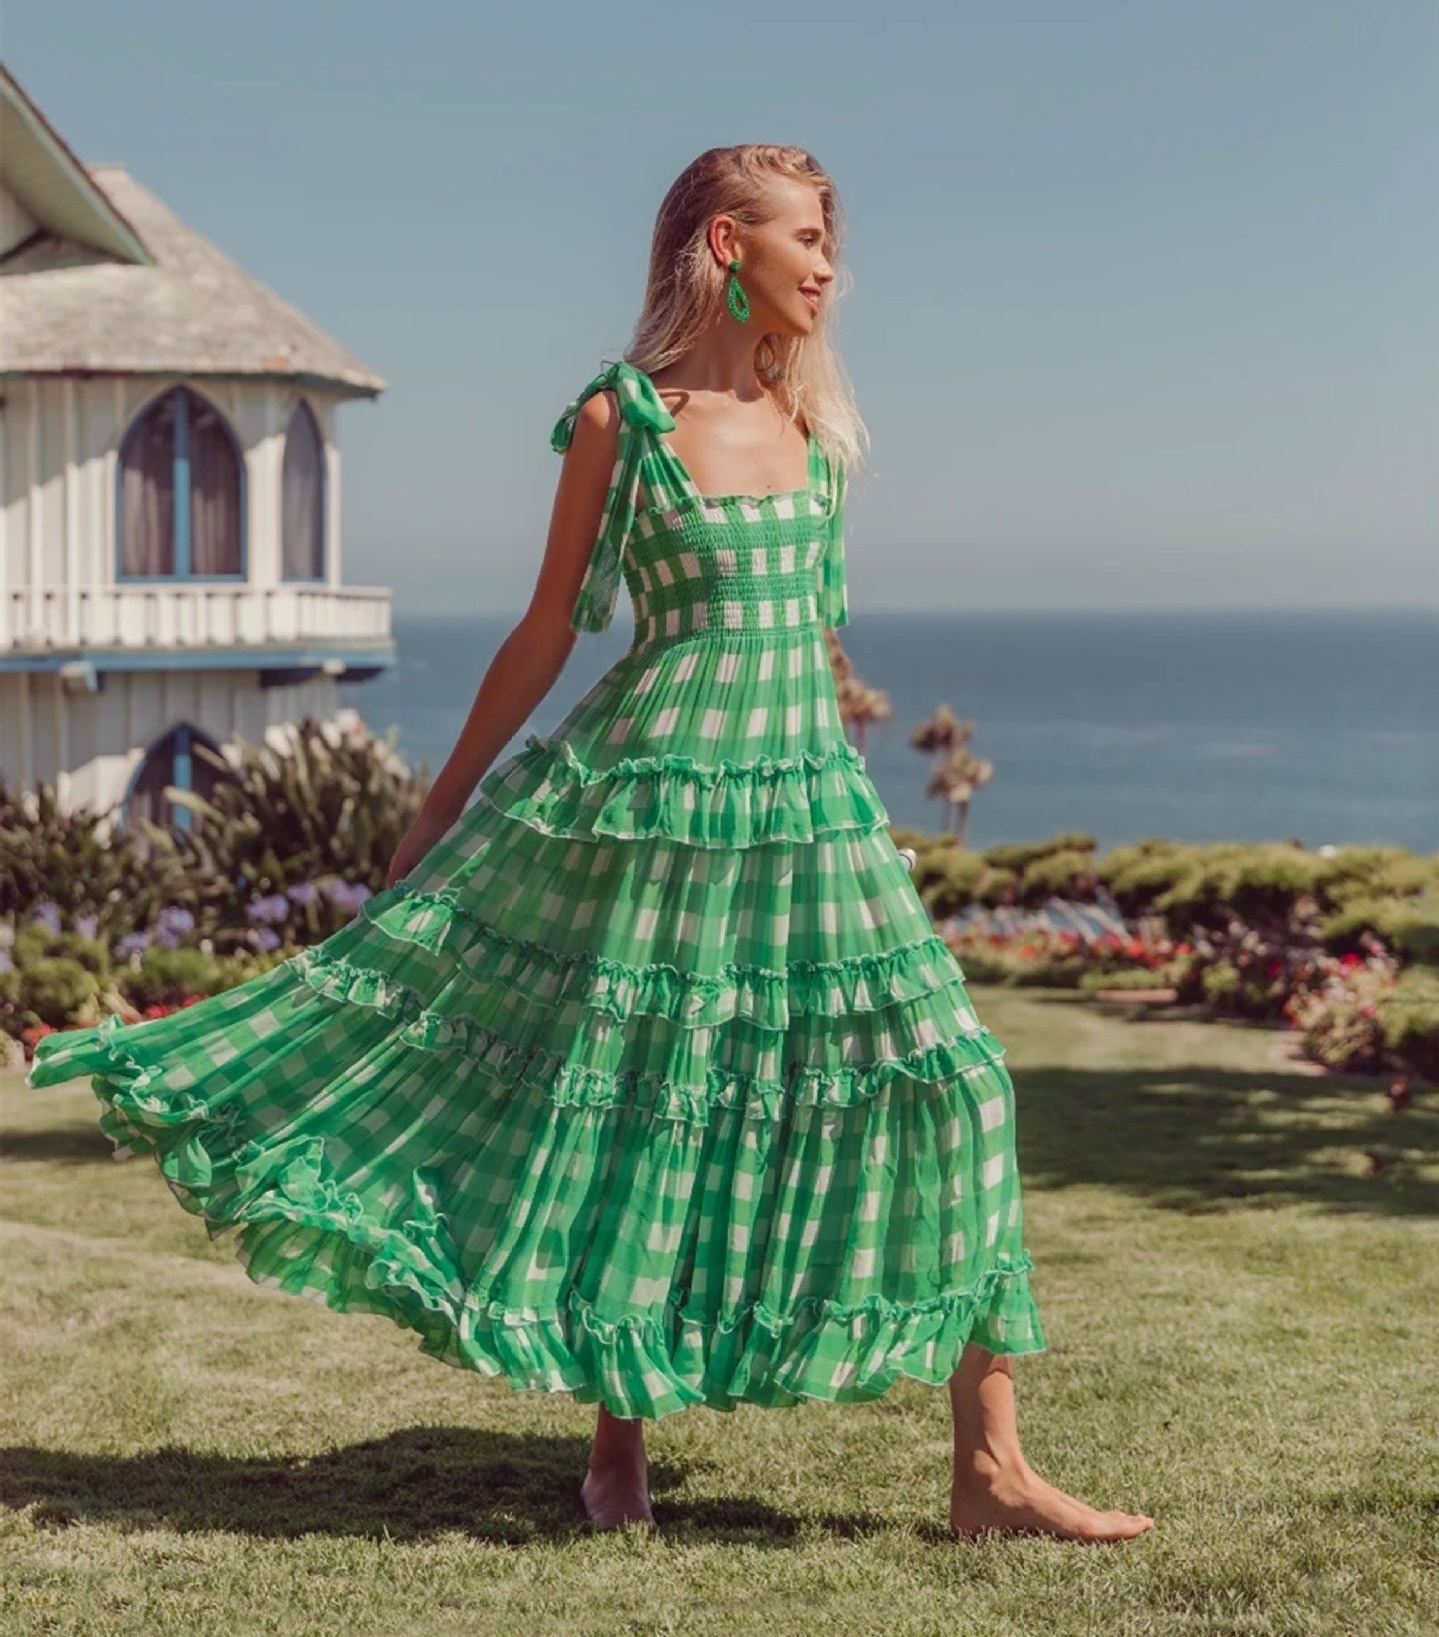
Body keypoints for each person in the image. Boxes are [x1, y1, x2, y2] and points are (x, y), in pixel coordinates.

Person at [27, 143, 1151, 1544]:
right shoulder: (624, 418)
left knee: (964, 1089)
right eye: (806, 238)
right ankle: (617, 1446)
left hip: (800, 811)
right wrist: (440, 807)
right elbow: (553, 623)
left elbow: (807, 641)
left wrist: (841, 810)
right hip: (654, 797)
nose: (828, 269)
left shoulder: (818, 430)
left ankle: (990, 1474)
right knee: (641, 1102)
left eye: (832, 244)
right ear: (724, 246)